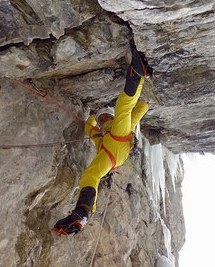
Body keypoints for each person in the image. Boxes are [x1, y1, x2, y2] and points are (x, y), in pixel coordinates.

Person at [52, 39, 153, 236]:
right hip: (116, 151)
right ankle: (139, 73)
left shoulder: (116, 125)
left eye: (105, 116)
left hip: (120, 141)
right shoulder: (99, 134)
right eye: (102, 118)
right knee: (124, 108)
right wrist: (92, 114)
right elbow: (88, 127)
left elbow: (142, 107)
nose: (104, 118)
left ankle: (82, 214)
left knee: (90, 175)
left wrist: (105, 118)